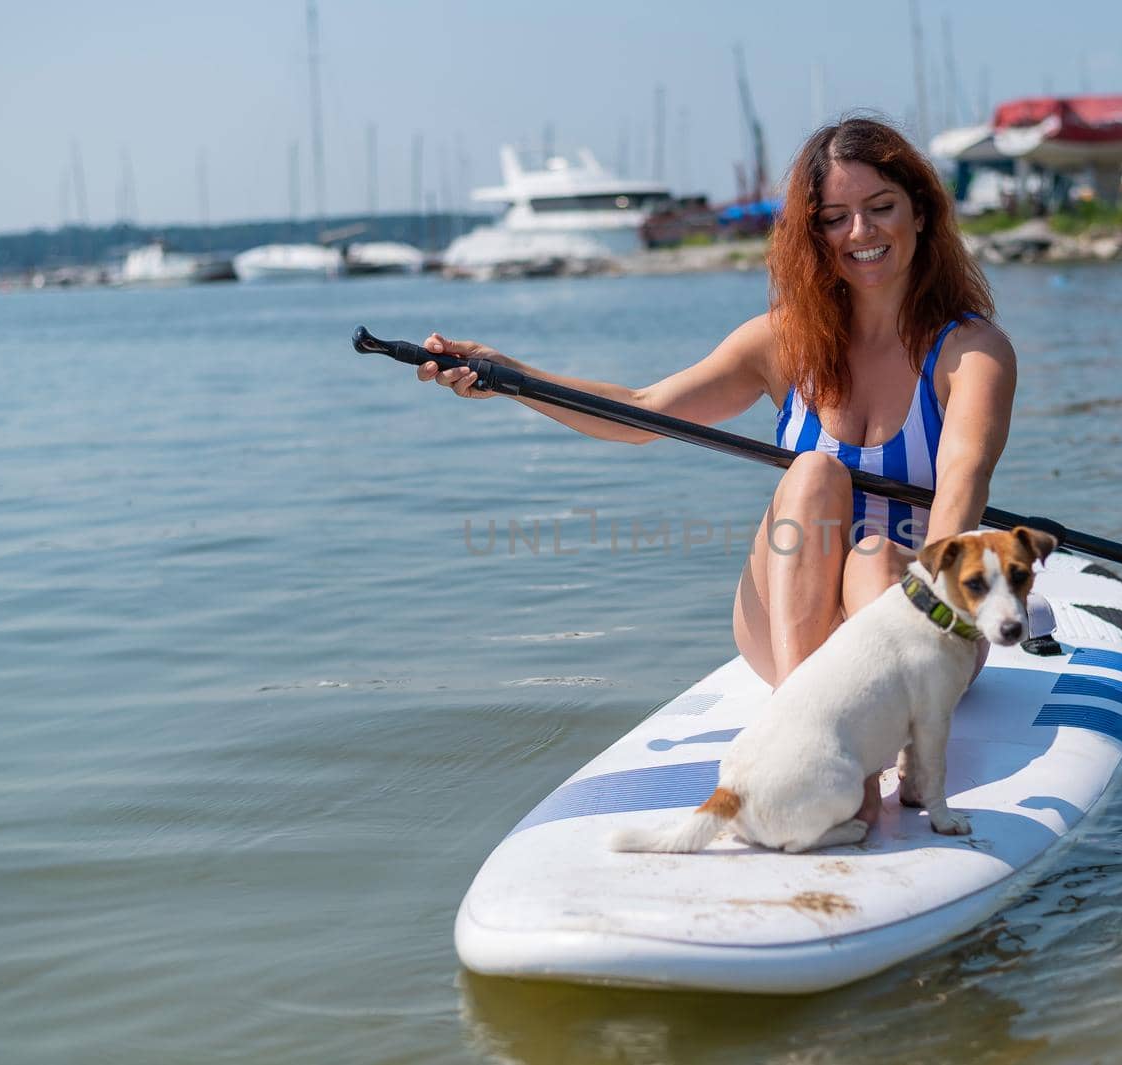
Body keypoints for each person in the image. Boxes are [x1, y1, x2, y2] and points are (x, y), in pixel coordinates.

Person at [415, 117, 1016, 827]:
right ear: (812, 232)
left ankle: (859, 742)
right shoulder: (784, 342)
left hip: (920, 633)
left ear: (921, 209)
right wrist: (515, 378)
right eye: (835, 217)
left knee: (880, 554)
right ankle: (812, 738)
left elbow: (961, 489)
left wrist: (934, 637)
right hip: (792, 625)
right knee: (815, 476)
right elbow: (643, 412)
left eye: (881, 206)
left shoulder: (972, 353)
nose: (861, 231)